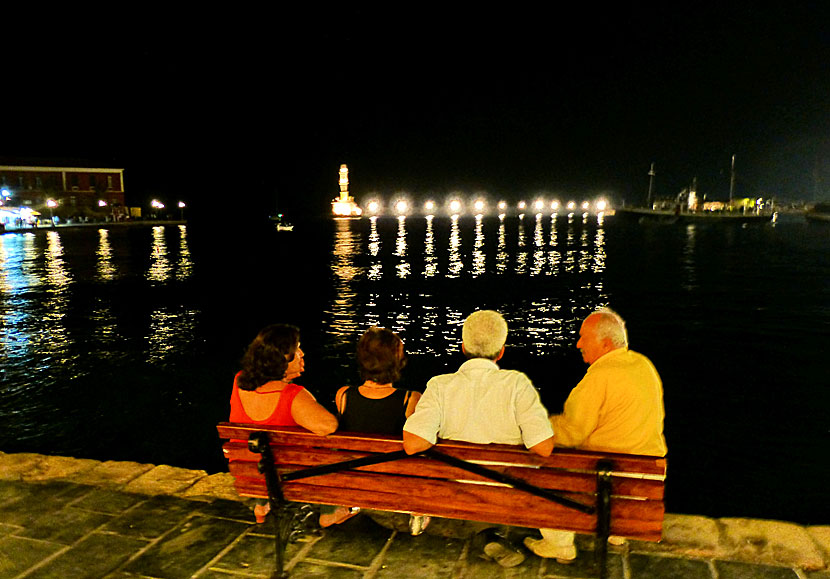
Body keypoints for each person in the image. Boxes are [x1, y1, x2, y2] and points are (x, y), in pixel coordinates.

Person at [403, 310, 553, 567]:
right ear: (502, 351)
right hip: (507, 494)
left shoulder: (440, 386)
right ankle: (491, 535)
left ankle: (485, 535)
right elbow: (544, 447)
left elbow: (413, 443)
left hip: (456, 490)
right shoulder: (517, 384)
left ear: (462, 347)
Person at [523, 307, 667, 563]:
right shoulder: (644, 365)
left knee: (546, 463)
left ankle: (559, 543)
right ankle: (616, 529)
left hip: (607, 476)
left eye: (584, 338)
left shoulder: (600, 376)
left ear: (606, 343)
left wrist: (533, 425)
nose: (578, 344)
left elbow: (571, 432)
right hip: (642, 478)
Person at [230, 324, 338, 523]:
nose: (302, 353)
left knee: (265, 451)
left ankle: (262, 503)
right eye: (297, 350)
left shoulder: (239, 382)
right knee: (333, 447)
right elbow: (329, 426)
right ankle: (330, 512)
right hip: (285, 479)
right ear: (281, 360)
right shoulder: (293, 396)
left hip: (249, 474)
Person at [320, 326, 423, 529]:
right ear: (396, 361)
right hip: (388, 480)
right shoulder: (410, 399)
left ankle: (347, 509)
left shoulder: (343, 395)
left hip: (352, 476)